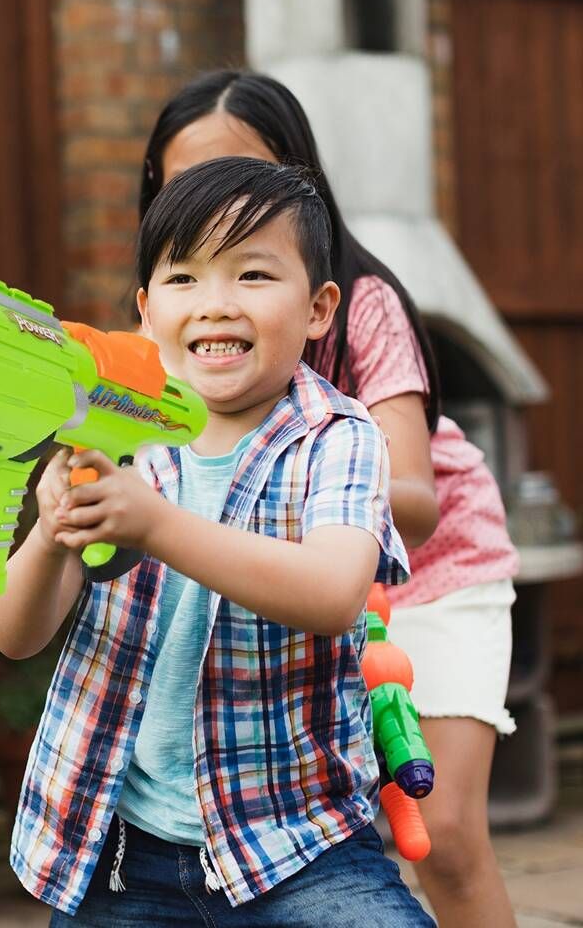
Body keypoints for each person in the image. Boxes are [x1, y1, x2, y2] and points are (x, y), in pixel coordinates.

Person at [0, 156, 434, 926]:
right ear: (145, 310)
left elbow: (331, 595)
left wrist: (155, 525)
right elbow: (13, 634)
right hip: (123, 857)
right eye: (183, 278)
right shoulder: (111, 434)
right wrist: (53, 534)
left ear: (320, 308)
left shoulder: (339, 438)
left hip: (298, 845)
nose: (215, 305)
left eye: (253, 276)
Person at [138, 69, 519, 928]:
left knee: (445, 831)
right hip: (292, 578)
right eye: (186, 184)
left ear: (298, 179)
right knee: (313, 837)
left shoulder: (362, 303)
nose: (217, 203)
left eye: (243, 177)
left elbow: (412, 497)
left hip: (426, 572)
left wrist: (315, 496)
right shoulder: (178, 318)